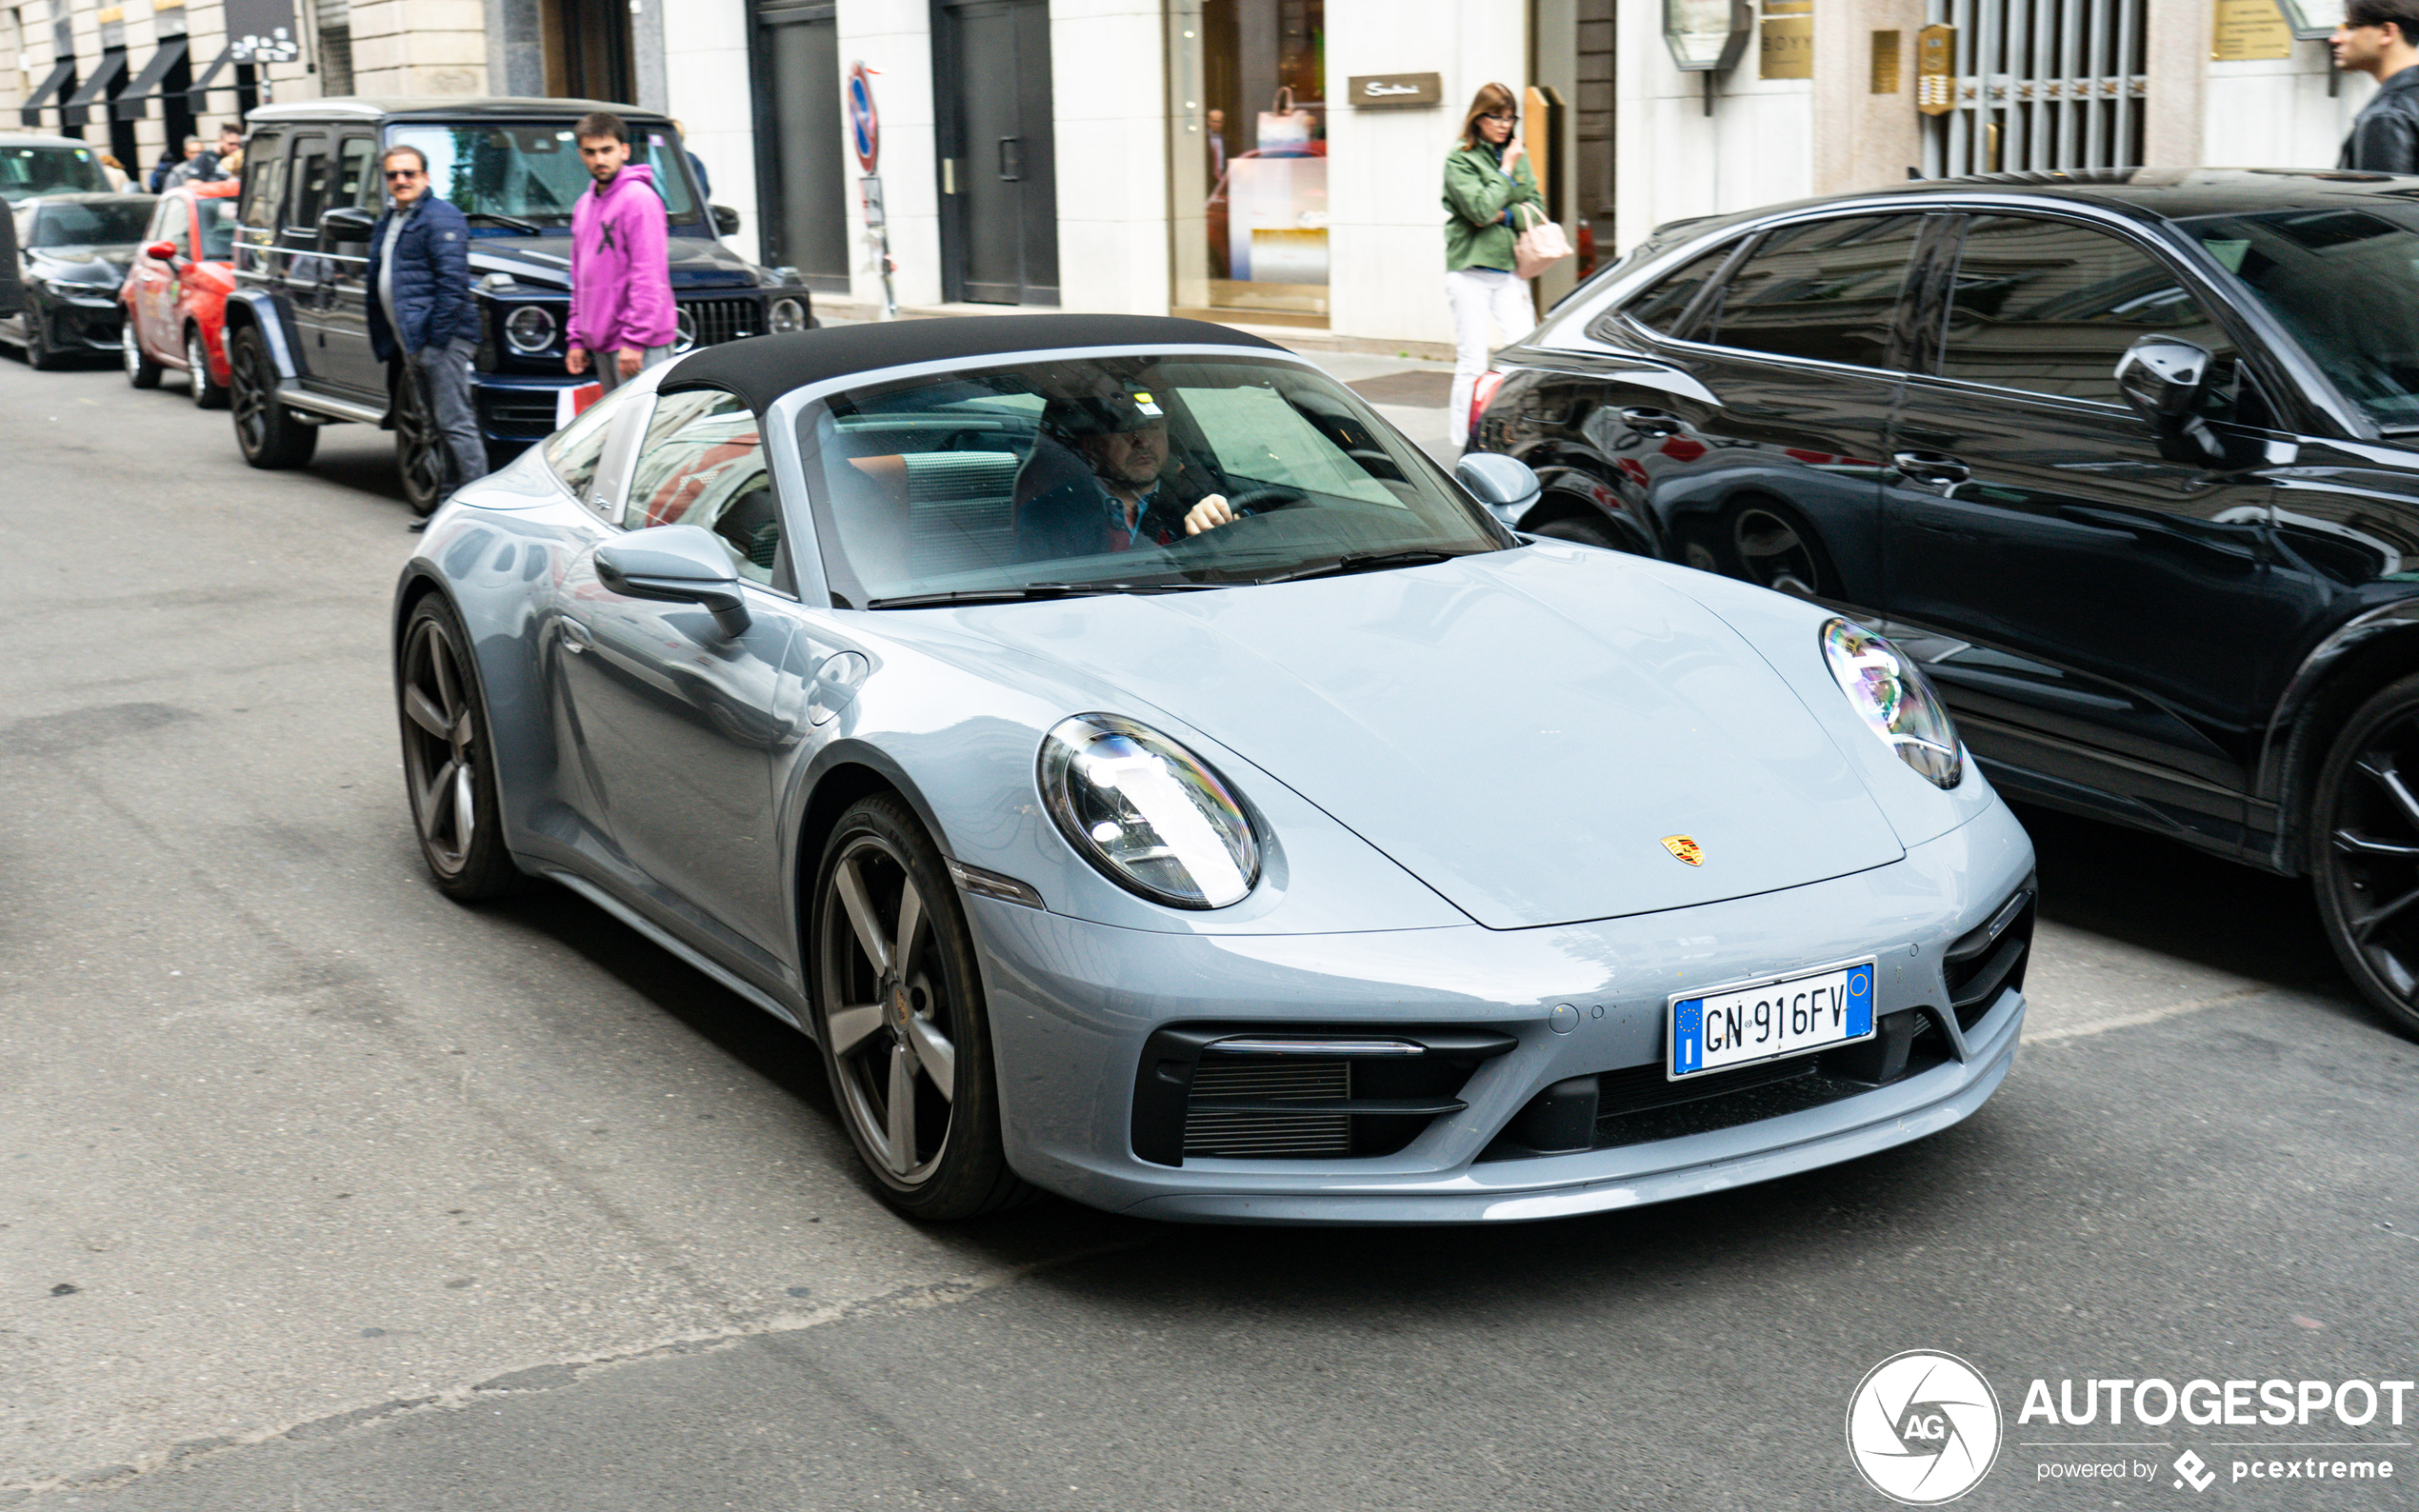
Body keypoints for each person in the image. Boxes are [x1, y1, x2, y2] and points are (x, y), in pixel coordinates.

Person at [367, 144, 487, 509]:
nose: (401, 180)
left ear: (425, 177)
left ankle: (480, 512)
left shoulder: (441, 217)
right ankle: (448, 509)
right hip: (413, 341)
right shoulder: (391, 220)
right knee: (435, 427)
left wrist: (435, 345)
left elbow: (453, 284)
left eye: (409, 173)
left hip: (442, 341)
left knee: (456, 425)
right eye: (393, 174)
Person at [1012, 388, 1240, 562]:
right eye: (1126, 429)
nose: (1143, 441)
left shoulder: (1198, 499)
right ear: (1092, 446)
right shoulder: (1048, 516)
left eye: (1153, 427)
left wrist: (1227, 519)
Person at [1442, 82, 1543, 451]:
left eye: (1509, 117)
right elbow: (1480, 210)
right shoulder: (1460, 159)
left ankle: (1517, 434)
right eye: (1495, 116)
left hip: (1508, 271)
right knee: (1472, 360)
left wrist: (1504, 214)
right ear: (1478, 117)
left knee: (1525, 354)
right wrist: (1506, 170)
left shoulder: (1519, 153)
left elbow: (1536, 207)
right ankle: (1461, 443)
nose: (1503, 124)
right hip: (1469, 271)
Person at [566, 111, 678, 393]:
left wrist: (635, 340)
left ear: (624, 151)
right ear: (580, 155)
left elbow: (649, 276)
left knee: (650, 434)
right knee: (620, 432)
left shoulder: (640, 200)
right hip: (601, 342)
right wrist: (576, 339)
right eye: (590, 152)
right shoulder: (583, 205)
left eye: (607, 150)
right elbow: (579, 279)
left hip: (639, 344)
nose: (599, 160)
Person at [2336, 0, 2419, 171]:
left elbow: (2382, 198)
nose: (2336, 39)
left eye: (2350, 27)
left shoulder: (2387, 116)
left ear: (2387, 32)